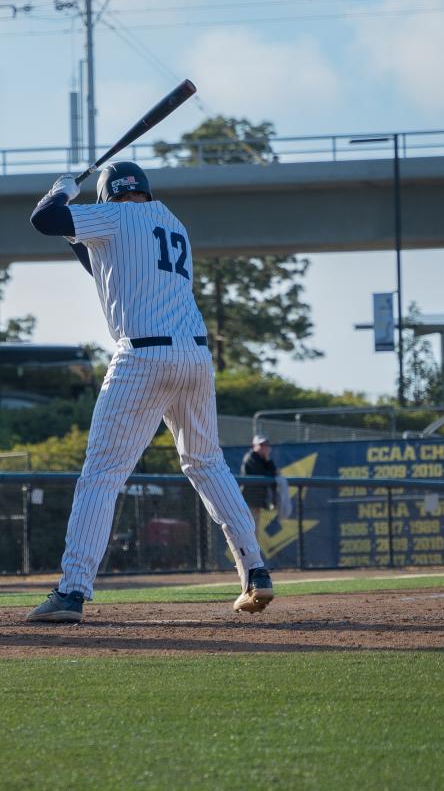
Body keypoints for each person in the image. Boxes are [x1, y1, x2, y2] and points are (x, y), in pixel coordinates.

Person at [24, 163, 273, 623]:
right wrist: (72, 226)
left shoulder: (113, 216)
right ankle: (255, 570)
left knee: (101, 474)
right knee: (207, 462)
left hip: (142, 356)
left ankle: (72, 591)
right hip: (196, 357)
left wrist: (58, 194)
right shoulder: (171, 221)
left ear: (108, 196)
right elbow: (99, 265)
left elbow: (43, 220)